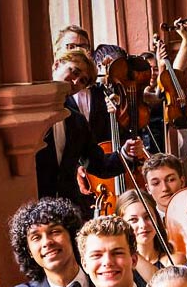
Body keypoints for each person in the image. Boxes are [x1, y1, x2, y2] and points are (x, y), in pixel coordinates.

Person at [36, 49, 140, 217]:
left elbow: (97, 164)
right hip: (34, 206)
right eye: (74, 72)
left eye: (82, 81)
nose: (75, 81)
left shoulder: (77, 121)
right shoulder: (32, 111)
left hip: (67, 210)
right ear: (57, 65)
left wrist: (125, 153)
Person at [116, 188, 178, 280]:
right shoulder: (118, 265)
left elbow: (161, 283)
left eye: (147, 217)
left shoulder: (174, 260)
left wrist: (131, 250)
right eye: (133, 220)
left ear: (156, 218)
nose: (143, 225)